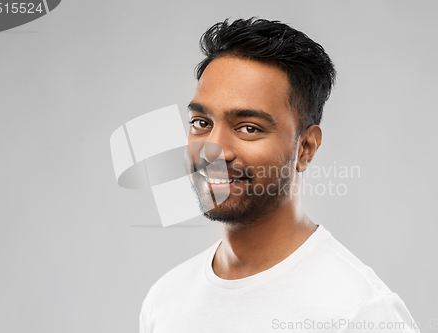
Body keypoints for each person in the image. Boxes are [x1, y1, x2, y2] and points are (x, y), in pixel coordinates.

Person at [139, 17, 420, 333]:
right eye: (201, 123)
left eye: (248, 128)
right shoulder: (165, 301)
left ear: (306, 148)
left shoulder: (359, 314)